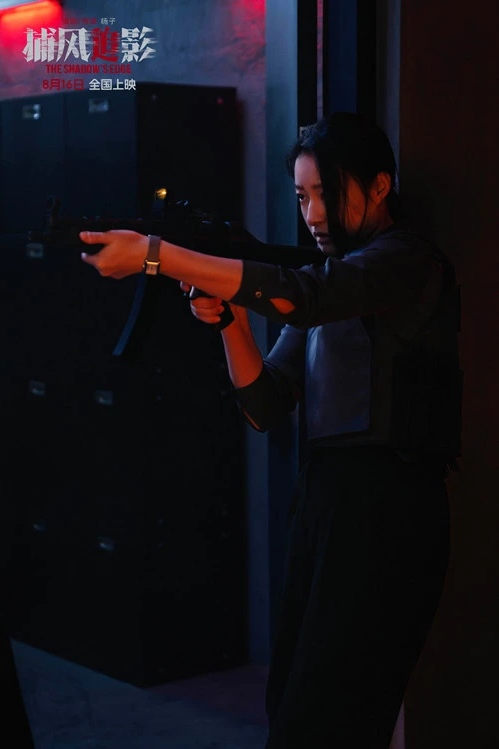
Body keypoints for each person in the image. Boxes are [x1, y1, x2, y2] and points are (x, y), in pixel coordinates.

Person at [79, 111, 462, 748]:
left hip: (388, 505)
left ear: (379, 186)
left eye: (327, 193)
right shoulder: (329, 280)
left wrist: (156, 256)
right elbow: (265, 404)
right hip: (326, 500)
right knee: (292, 701)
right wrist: (229, 320)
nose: (313, 214)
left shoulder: (406, 261)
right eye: (302, 196)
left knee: (331, 715)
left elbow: (305, 296)